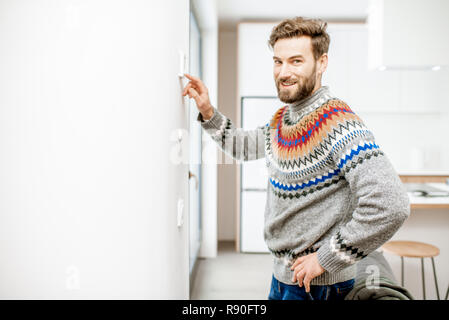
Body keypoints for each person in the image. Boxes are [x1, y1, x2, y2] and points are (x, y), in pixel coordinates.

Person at [182, 16, 410, 300]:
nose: (283, 72)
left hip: (320, 287)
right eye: (278, 62)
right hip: (284, 278)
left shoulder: (338, 122)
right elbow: (243, 147)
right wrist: (207, 111)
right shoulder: (283, 119)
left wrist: (324, 258)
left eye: (296, 61)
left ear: (322, 63)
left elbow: (392, 203)